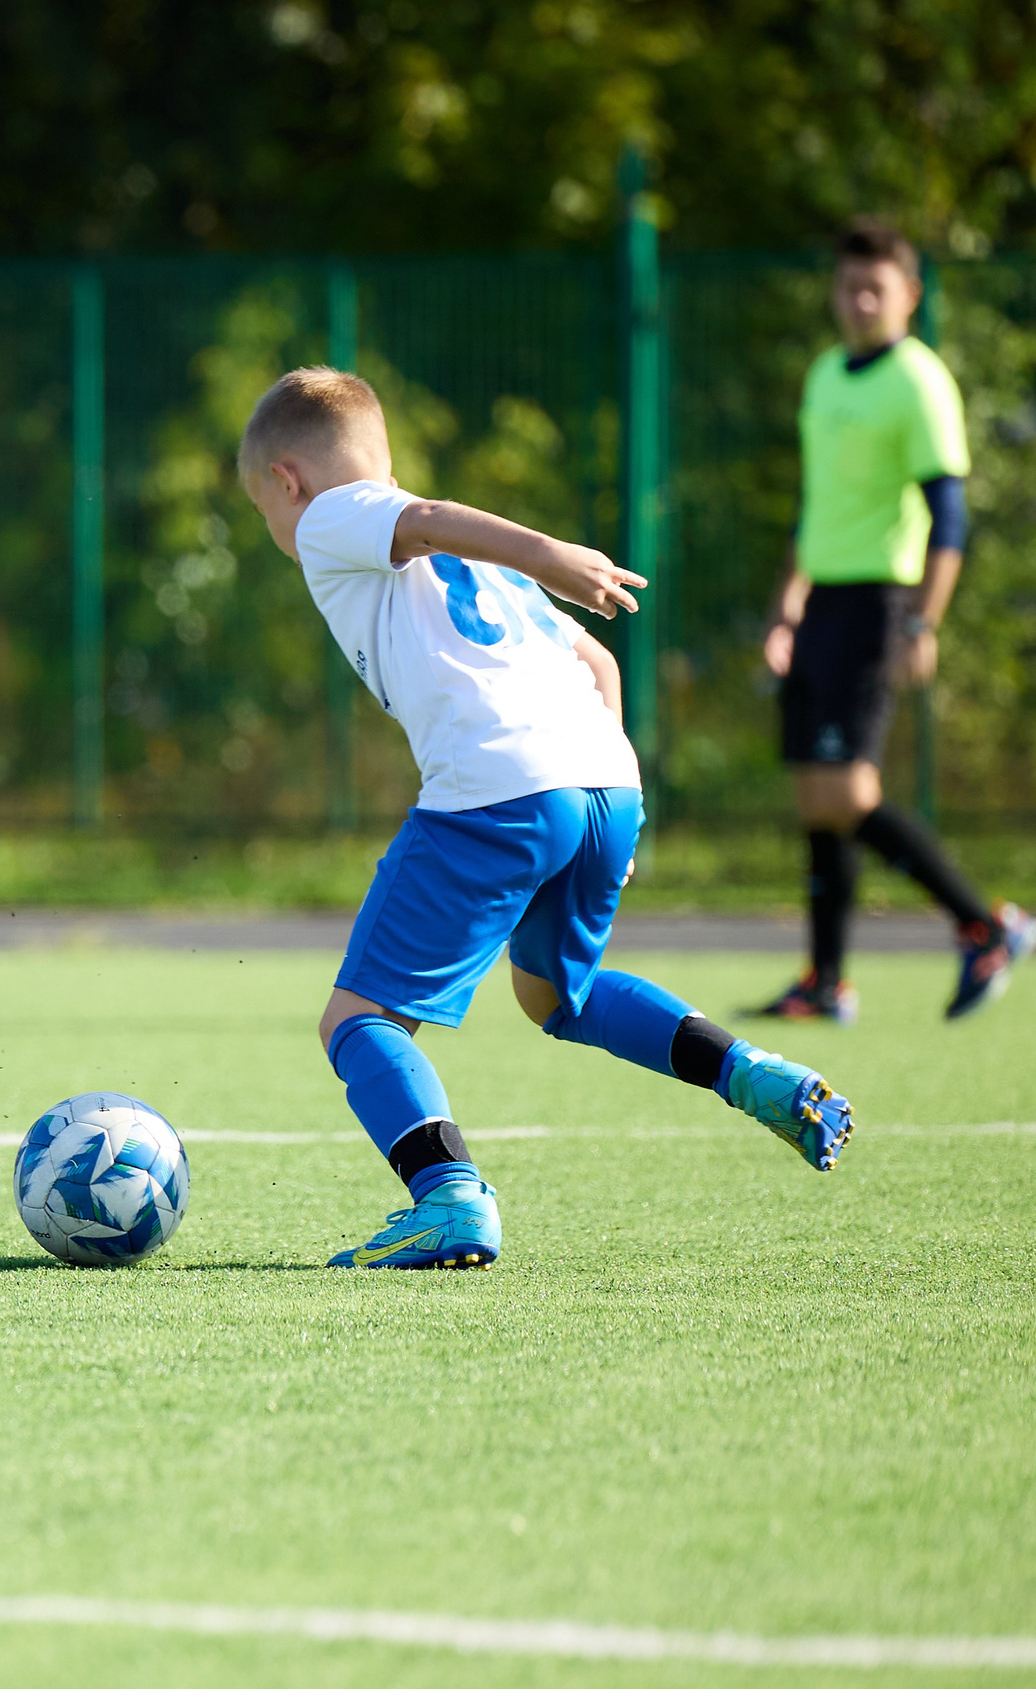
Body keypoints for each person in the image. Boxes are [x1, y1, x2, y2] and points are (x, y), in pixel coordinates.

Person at [239, 368, 852, 1271]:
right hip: (604, 782)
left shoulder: (334, 516)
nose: (276, 531)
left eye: (263, 510)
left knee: (358, 1020)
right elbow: (597, 660)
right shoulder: (479, 568)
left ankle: (449, 1198)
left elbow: (427, 515)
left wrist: (552, 551)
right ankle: (753, 1073)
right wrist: (604, 786)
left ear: (287, 480)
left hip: (499, 789)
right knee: (554, 995)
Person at [750, 218, 1036, 1025]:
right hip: (822, 606)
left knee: (848, 789)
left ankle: (984, 925)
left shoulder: (919, 380)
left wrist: (924, 622)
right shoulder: (825, 376)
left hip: (881, 602)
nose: (860, 299)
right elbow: (817, 506)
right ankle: (826, 979)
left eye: (876, 286)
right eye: (848, 284)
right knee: (816, 795)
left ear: (910, 295)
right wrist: (786, 607)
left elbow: (949, 514)